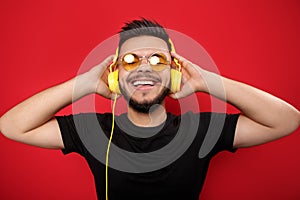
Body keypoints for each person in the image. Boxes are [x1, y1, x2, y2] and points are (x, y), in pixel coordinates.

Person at [0, 18, 299, 200]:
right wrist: (84, 84)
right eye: (131, 61)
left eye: (157, 60)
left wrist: (209, 82)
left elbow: (287, 120)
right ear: (116, 75)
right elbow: (11, 125)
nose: (144, 68)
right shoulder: (94, 132)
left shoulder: (201, 130)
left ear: (175, 73)